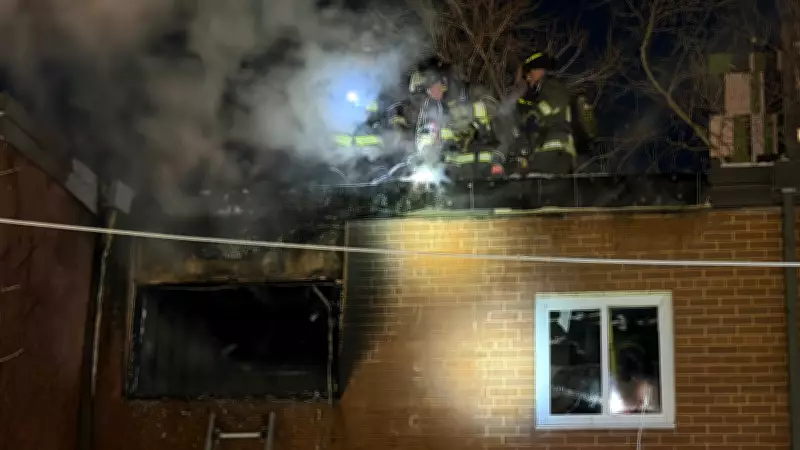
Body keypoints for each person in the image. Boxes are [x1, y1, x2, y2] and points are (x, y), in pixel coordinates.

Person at [403, 57, 504, 178]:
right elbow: (424, 134)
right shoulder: (430, 106)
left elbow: (495, 109)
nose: (431, 92)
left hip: (484, 169)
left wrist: (468, 111)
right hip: (451, 173)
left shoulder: (472, 92)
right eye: (427, 89)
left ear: (444, 80)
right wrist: (427, 150)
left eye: (433, 86)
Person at [515, 52, 576, 175]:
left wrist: (535, 115)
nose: (527, 78)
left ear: (538, 70)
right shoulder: (540, 93)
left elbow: (556, 101)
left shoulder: (552, 85)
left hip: (556, 149)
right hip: (548, 151)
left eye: (529, 73)